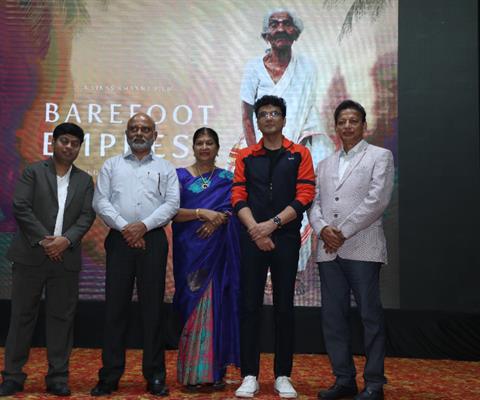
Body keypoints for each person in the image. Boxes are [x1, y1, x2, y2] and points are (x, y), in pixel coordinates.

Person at [0, 123, 95, 397]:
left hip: (65, 259)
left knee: (61, 319)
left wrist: (65, 241)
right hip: (30, 257)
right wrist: (45, 240)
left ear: (79, 148)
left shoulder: (85, 180)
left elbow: (86, 217)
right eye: (64, 141)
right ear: (53, 143)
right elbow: (21, 207)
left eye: (74, 143)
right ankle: (13, 375)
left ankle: (57, 377)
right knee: (21, 317)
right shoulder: (32, 172)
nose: (68, 146)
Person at [240, 8, 334, 285]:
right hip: (260, 150)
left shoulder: (308, 67)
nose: (280, 28)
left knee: (305, 197)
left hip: (298, 148)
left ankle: (297, 269)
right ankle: (263, 267)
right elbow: (247, 115)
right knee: (256, 201)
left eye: (286, 24)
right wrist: (254, 156)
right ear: (266, 34)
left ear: (295, 32)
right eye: (274, 24)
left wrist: (290, 151)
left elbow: (305, 111)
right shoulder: (253, 68)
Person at [309, 100, 394, 400]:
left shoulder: (380, 156)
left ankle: (374, 384)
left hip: (363, 247)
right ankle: (343, 379)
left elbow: (377, 200)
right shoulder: (324, 164)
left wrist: (341, 232)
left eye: (353, 120)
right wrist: (322, 230)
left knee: (370, 317)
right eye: (342, 121)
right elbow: (314, 203)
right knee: (333, 317)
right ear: (335, 127)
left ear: (363, 125)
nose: (347, 126)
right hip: (329, 251)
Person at [232, 95, 315, 398]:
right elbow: (238, 197)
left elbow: (305, 194)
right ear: (257, 120)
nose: (268, 118)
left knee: (284, 307)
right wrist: (256, 229)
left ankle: (283, 374)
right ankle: (249, 374)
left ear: (283, 119)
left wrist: (273, 225)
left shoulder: (299, 154)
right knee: (250, 306)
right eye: (263, 113)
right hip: (252, 237)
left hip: (286, 238)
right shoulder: (245, 155)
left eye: (274, 113)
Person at [91, 112, 180, 397]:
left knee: (152, 311)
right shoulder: (111, 165)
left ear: (155, 135)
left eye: (145, 129)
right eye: (134, 128)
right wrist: (126, 228)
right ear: (127, 134)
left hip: (152, 240)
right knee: (115, 310)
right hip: (119, 241)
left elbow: (172, 204)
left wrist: (142, 227)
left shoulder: (165, 167)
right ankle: (110, 375)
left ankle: (155, 375)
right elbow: (100, 201)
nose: (139, 133)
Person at [172, 127, 241, 390]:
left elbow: (234, 210)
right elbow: (171, 212)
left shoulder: (227, 178)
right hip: (189, 251)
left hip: (217, 254)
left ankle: (213, 372)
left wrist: (218, 220)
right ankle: (191, 374)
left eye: (209, 143)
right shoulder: (178, 176)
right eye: (199, 143)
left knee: (216, 306)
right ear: (193, 146)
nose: (204, 147)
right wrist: (202, 213)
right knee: (191, 302)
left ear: (217, 147)